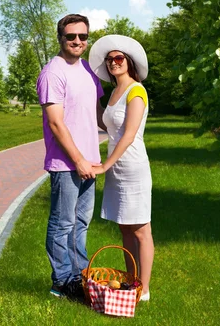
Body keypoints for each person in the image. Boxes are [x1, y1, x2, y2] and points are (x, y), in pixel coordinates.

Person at [36, 14, 107, 300]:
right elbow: (56, 123)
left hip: (90, 160)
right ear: (60, 38)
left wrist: (125, 132)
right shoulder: (53, 73)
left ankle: (80, 275)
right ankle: (62, 281)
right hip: (67, 163)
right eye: (71, 36)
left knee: (81, 222)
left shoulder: (89, 70)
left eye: (83, 36)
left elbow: (99, 112)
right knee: (62, 223)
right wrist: (78, 159)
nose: (78, 41)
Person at [88, 34, 154, 302]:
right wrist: (91, 100)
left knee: (141, 228)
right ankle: (131, 281)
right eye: (110, 59)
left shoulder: (136, 90)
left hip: (132, 166)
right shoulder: (115, 92)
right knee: (125, 227)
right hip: (118, 167)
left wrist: (105, 165)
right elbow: (109, 126)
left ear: (128, 62)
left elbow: (128, 135)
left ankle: (144, 290)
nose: (113, 62)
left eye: (118, 58)